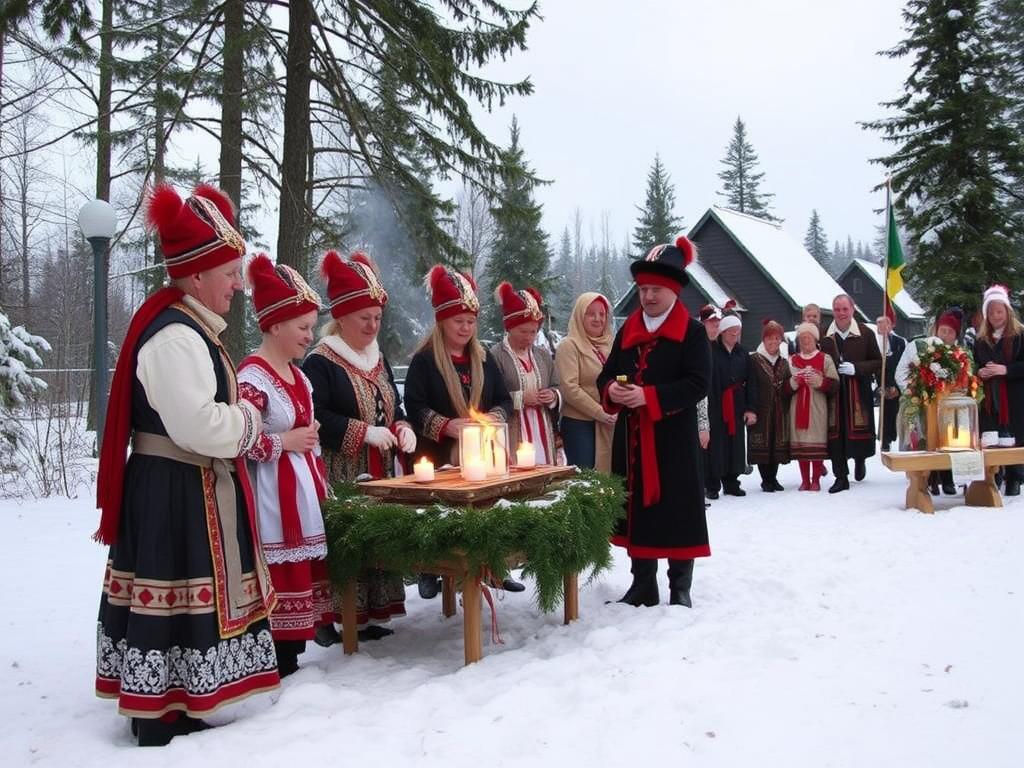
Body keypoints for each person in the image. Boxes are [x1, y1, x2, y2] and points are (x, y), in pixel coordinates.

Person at [94, 184, 278, 746]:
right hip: (173, 487)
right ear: (196, 275)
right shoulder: (175, 335)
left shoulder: (191, 326)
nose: (239, 284)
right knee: (170, 593)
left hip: (187, 484)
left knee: (182, 598)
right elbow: (197, 424)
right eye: (229, 273)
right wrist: (247, 421)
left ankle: (180, 699)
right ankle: (154, 713)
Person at [301, 251, 415, 634]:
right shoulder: (321, 361)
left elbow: (392, 403)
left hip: (378, 469)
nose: (372, 326)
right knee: (345, 541)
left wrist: (402, 425)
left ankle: (369, 614)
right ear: (342, 318)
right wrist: (363, 432)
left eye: (378, 318)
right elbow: (317, 415)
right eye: (365, 318)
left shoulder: (376, 359)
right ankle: (333, 618)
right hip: (341, 470)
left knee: (375, 539)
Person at [597, 237, 711, 608]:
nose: (647, 296)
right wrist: (612, 389)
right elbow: (606, 375)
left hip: (674, 440)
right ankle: (643, 584)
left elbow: (698, 383)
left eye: (655, 290)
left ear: (674, 291)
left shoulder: (692, 333)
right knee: (635, 510)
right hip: (631, 440)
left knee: (678, 509)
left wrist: (650, 397)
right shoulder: (628, 329)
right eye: (643, 289)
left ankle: (680, 587)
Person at [404, 264, 515, 598]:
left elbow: (503, 399)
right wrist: (447, 426)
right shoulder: (425, 361)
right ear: (442, 321)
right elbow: (415, 405)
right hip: (436, 453)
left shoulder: (483, 359)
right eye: (458, 321)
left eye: (470, 321)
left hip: (480, 454)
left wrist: (493, 417)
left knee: (486, 512)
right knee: (438, 515)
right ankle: (430, 569)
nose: (466, 328)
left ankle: (491, 567)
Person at [895, 308, 964, 495]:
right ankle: (923, 479)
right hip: (919, 402)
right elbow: (901, 372)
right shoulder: (918, 346)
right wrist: (912, 391)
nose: (946, 335)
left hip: (945, 404)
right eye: (943, 330)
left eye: (951, 332)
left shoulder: (957, 355)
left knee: (947, 439)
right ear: (936, 329)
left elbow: (959, 379)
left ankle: (947, 477)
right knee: (921, 438)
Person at [491, 282, 561, 465]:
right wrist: (520, 398)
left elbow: (557, 385)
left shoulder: (543, 355)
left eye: (533, 331)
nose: (529, 337)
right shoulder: (496, 356)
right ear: (509, 327)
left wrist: (553, 395)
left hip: (542, 428)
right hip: (513, 429)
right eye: (523, 331)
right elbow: (489, 396)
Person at [823, 294, 881, 493]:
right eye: (837, 309)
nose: (841, 313)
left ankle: (860, 459)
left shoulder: (865, 333)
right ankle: (841, 477)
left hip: (859, 392)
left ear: (852, 310)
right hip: (834, 394)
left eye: (844, 309)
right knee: (835, 435)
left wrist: (856, 368)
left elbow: (877, 361)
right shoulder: (825, 335)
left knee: (859, 432)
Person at [554, 292, 617, 471]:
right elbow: (570, 388)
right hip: (580, 423)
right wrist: (600, 412)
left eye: (602, 314)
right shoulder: (569, 345)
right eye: (591, 314)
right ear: (580, 315)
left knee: (611, 478)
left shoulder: (611, 344)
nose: (597, 319)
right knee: (587, 479)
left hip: (610, 421)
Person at [974, 285, 1024, 496]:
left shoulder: (1020, 335)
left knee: (1014, 435)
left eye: (999, 311)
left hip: (1015, 395)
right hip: (990, 397)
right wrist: (981, 372)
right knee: (992, 435)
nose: (996, 316)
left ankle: (1015, 476)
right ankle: (995, 474)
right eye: (991, 312)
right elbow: (976, 364)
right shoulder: (981, 339)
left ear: (1007, 311)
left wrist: (1005, 369)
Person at [788, 323, 839, 491]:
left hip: (817, 407)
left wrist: (821, 382)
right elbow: (783, 388)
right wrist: (794, 382)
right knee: (802, 443)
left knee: (816, 441)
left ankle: (816, 479)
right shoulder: (793, 360)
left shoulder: (824, 358)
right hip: (798, 407)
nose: (805, 342)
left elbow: (835, 384)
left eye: (808, 338)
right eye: (802, 339)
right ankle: (804, 480)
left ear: (815, 339)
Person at [746, 319, 793, 492]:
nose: (773, 342)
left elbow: (788, 383)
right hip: (761, 409)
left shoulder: (783, 362)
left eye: (776, 338)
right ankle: (766, 479)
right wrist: (750, 408)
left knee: (776, 443)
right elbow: (750, 385)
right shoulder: (754, 360)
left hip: (780, 409)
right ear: (763, 340)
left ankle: (773, 478)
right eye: (769, 338)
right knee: (763, 444)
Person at [710, 309, 752, 496]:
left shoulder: (743, 353)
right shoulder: (712, 351)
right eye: (731, 331)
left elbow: (751, 382)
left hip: (736, 402)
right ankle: (712, 484)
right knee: (716, 443)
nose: (735, 334)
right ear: (723, 332)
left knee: (735, 442)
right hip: (716, 401)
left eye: (738, 330)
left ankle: (732, 481)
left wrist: (751, 408)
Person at [699, 304, 723, 499]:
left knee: (714, 447)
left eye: (718, 324)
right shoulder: (698, 348)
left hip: (717, 404)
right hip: (702, 406)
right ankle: (704, 485)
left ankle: (714, 483)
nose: (716, 328)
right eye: (712, 324)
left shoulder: (716, 348)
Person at [876, 315, 906, 451]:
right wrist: (881, 385)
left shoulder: (899, 342)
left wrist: (895, 385)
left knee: (894, 411)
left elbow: (901, 363)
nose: (880, 326)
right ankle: (884, 440)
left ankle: (892, 436)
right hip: (880, 381)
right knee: (884, 412)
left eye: (883, 323)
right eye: (878, 323)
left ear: (890, 325)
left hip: (895, 382)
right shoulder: (874, 341)